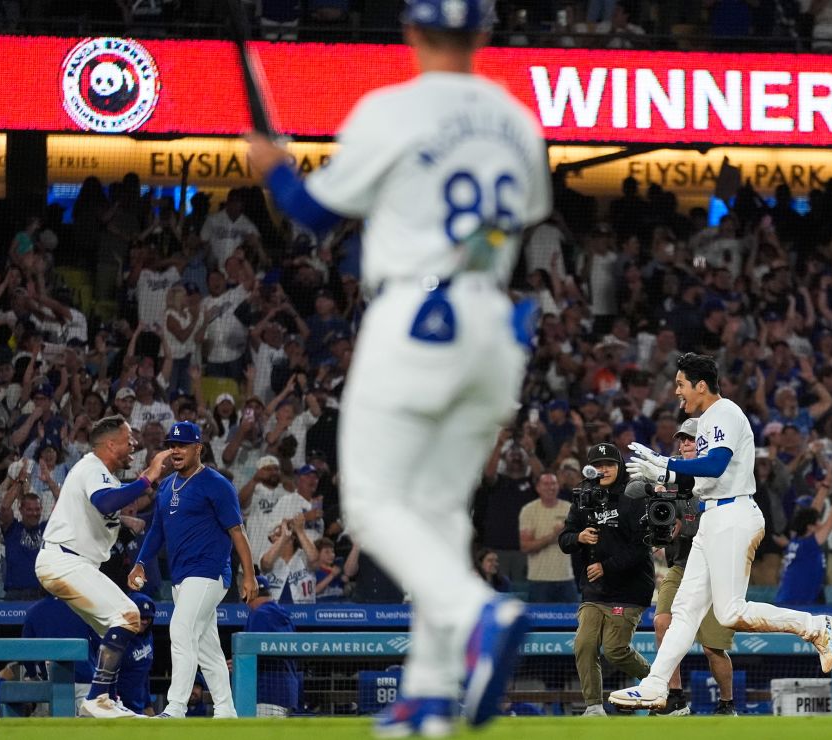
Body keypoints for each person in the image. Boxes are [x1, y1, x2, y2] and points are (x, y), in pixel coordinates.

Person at [246, 0, 551, 732]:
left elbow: (315, 216)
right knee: (440, 513)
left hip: (419, 314)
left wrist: (274, 170)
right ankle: (431, 693)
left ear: (411, 30)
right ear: (483, 32)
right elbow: (517, 218)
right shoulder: (516, 119)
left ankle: (476, 614)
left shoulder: (395, 108)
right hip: (494, 324)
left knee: (373, 506)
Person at [610, 353, 832, 711]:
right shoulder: (707, 421)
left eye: (681, 384)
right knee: (684, 610)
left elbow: (715, 465)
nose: (677, 392)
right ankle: (655, 686)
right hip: (713, 517)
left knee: (730, 612)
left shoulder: (724, 412)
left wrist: (667, 464)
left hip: (734, 515)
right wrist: (663, 476)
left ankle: (813, 626)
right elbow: (702, 481)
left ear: (701, 385)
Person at [34, 415, 173, 718]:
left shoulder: (105, 476)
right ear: (111, 444)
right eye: (128, 440)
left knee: (118, 627)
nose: (134, 444)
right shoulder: (92, 467)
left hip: (74, 562)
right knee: (127, 615)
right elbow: (106, 503)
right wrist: (147, 476)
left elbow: (109, 504)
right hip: (64, 560)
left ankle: (105, 699)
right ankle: (96, 699)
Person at [130, 420, 257, 719]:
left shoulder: (217, 484)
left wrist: (249, 576)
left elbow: (238, 532)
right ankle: (226, 711)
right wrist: (139, 563)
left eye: (182, 445)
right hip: (182, 577)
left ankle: (175, 708)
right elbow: (156, 533)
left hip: (210, 572)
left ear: (198, 447)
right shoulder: (166, 488)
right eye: (172, 445)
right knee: (206, 646)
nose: (175, 450)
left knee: (181, 628)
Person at [557, 443, 653, 717]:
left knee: (615, 650)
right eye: (598, 466)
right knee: (584, 644)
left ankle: (659, 683)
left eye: (609, 464)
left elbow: (641, 546)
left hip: (630, 589)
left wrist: (606, 566)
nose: (604, 470)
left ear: (619, 466)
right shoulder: (583, 495)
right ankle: (594, 706)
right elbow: (565, 539)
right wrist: (579, 537)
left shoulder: (634, 494)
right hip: (595, 590)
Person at [652, 418, 737, 717]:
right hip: (681, 566)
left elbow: (717, 522)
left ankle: (727, 704)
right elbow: (659, 523)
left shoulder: (720, 477)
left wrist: (682, 523)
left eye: (691, 439)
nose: (686, 444)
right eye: (682, 440)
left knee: (712, 648)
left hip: (715, 572)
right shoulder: (670, 480)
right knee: (662, 622)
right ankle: (675, 697)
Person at [776, 465, 832, 604]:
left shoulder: (797, 541)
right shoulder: (808, 544)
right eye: (817, 522)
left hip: (791, 599)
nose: (820, 524)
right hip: (795, 602)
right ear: (810, 528)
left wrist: (825, 485)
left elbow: (813, 510)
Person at [242, 574, 301, 717]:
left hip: (266, 695)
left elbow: (255, 656)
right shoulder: (285, 616)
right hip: (288, 695)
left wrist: (240, 663)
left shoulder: (258, 615)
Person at [518, 471, 578, 603]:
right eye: (546, 484)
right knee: (540, 623)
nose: (550, 487)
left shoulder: (569, 508)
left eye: (554, 483)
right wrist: (553, 536)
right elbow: (525, 547)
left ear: (558, 486)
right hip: (539, 580)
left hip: (566, 578)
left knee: (574, 622)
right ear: (538, 488)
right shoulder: (529, 510)